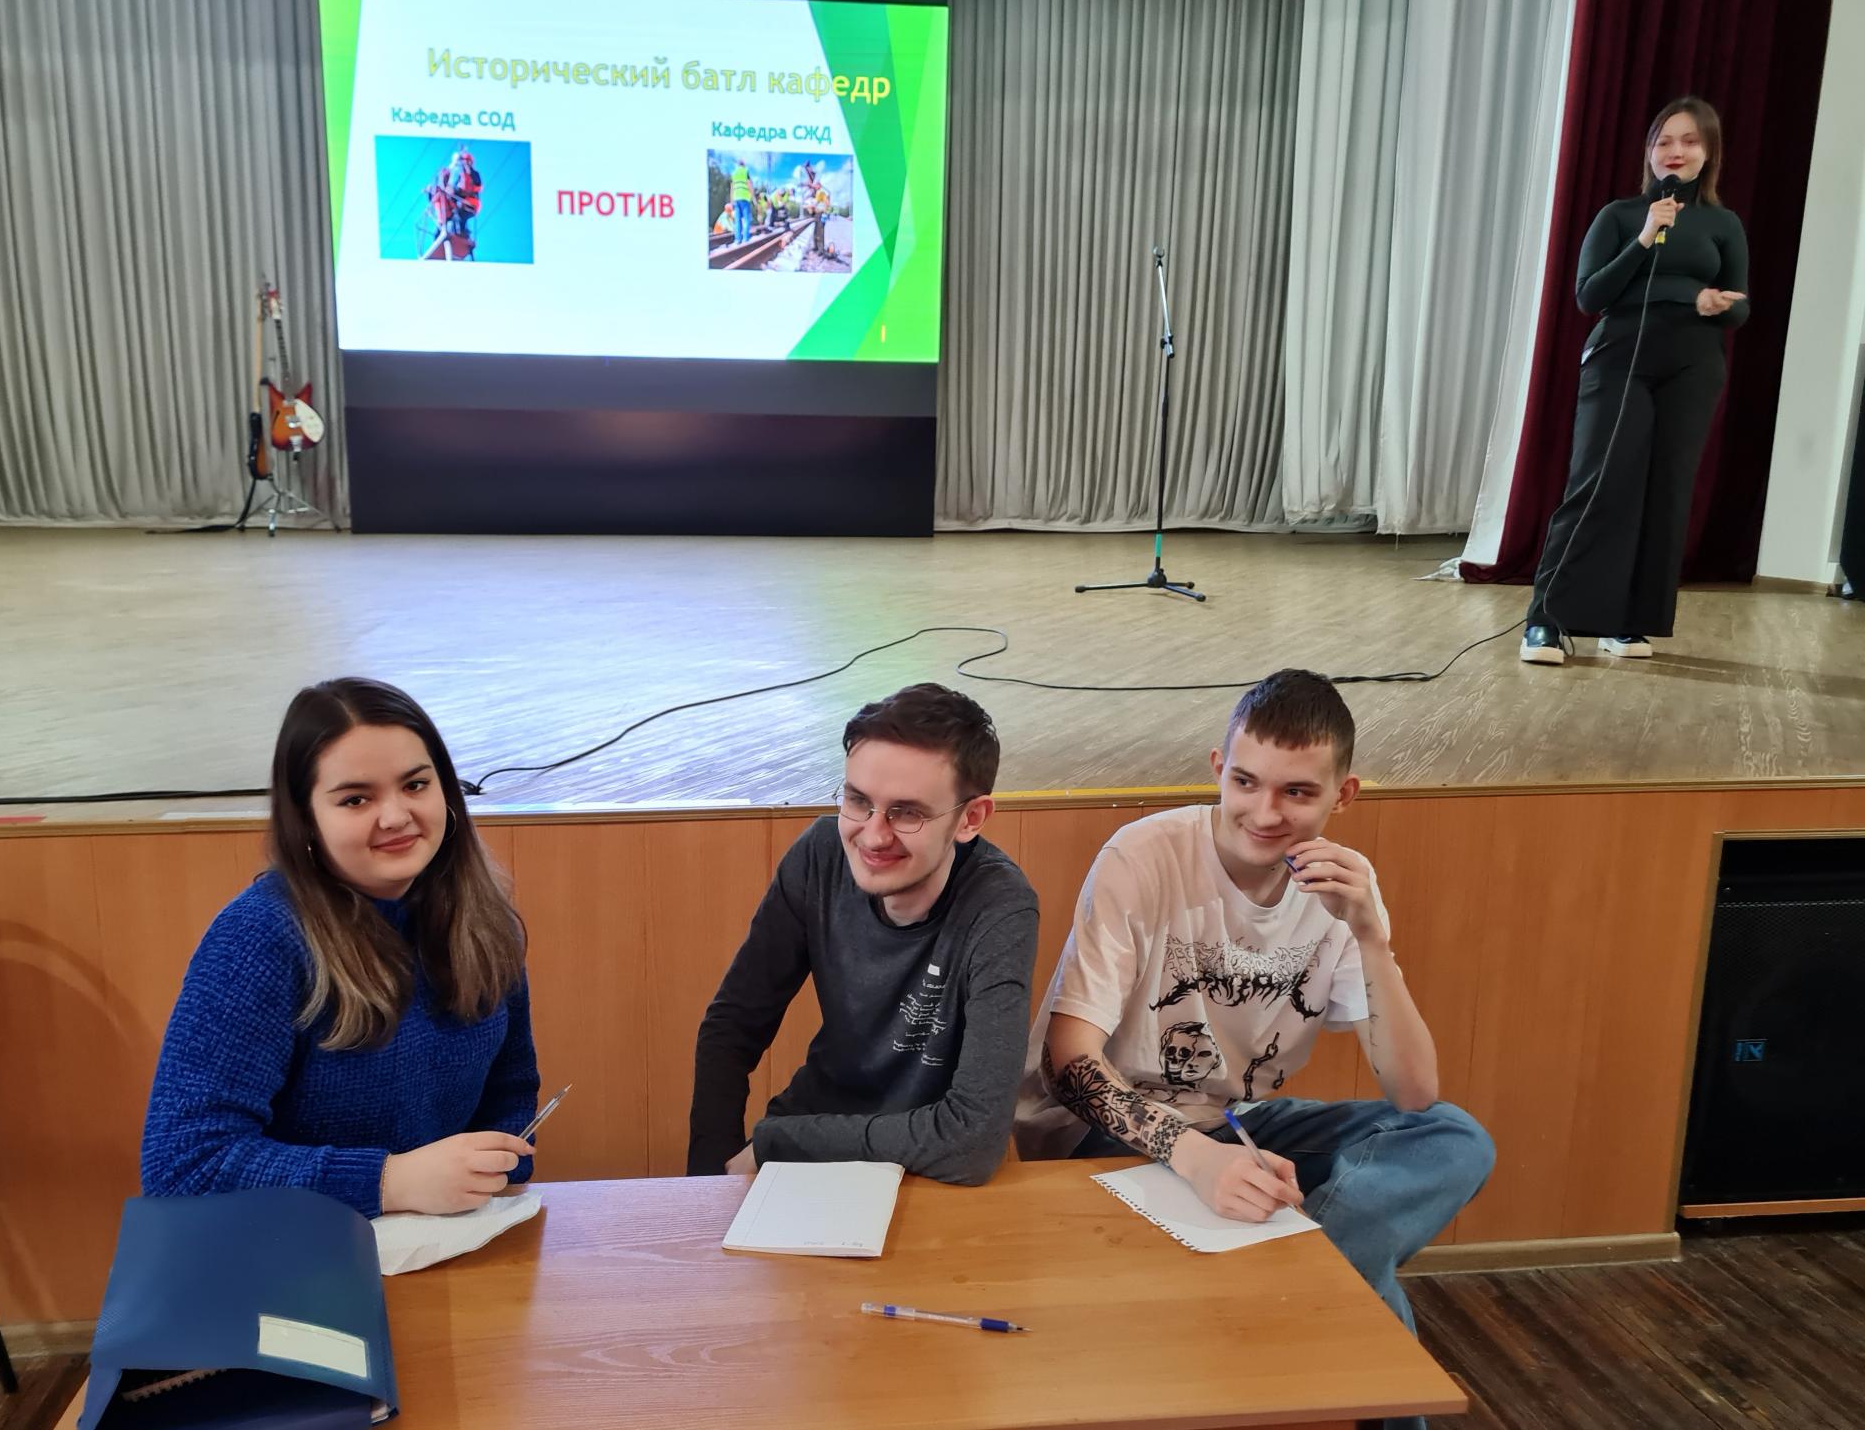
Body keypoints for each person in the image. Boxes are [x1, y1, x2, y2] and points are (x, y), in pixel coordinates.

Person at [1017, 670, 1493, 1361]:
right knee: (1374, 1304)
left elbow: (1415, 1092)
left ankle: (1301, 1277)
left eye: (1297, 792)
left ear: (1343, 794)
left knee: (1453, 1137)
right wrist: (1196, 1158)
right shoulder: (1142, 855)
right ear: (1219, 768)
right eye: (1245, 782)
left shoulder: (1343, 889)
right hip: (1104, 1131)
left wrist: (1370, 937)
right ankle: (1312, 1288)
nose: (1265, 813)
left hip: (1233, 1123)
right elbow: (1067, 1067)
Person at [141, 677, 539, 1217]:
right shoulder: (258, 937)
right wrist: (388, 1182)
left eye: (416, 785)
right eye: (356, 799)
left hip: (449, 1242)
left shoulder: (485, 921)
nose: (395, 816)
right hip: (295, 1256)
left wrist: (493, 1171)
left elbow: (510, 1096)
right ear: (306, 818)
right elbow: (183, 1166)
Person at [688, 684, 1038, 1185]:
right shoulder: (819, 856)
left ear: (970, 818)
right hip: (810, 1141)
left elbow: (974, 1140)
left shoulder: (1000, 905)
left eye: (908, 812)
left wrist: (777, 1143)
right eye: (858, 801)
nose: (873, 836)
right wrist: (707, 1180)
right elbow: (732, 1027)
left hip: (931, 1168)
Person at [1521, 96, 1749, 666]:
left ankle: (1626, 621)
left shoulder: (1724, 224)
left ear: (1709, 152)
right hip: (1620, 357)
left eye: (1690, 141)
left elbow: (1740, 306)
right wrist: (1646, 237)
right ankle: (1545, 621)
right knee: (1598, 484)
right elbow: (1590, 295)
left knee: (1664, 493)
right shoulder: (1621, 216)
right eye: (1664, 141)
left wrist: (1715, 303)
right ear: (1649, 151)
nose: (1676, 151)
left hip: (1693, 364)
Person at [730, 159, 753, 245]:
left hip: (736, 198)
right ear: (744, 165)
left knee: (737, 220)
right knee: (746, 219)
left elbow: (732, 187)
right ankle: (745, 239)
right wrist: (752, 196)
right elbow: (749, 184)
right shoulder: (745, 171)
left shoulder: (734, 173)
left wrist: (731, 200)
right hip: (744, 198)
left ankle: (737, 239)